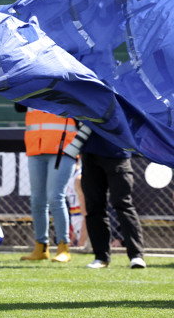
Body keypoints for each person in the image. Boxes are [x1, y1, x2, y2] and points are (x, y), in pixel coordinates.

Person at [18, 105, 77, 263]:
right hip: (35, 149)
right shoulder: (30, 86)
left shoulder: (65, 84)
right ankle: (41, 247)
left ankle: (64, 247)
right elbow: (18, 106)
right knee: (37, 200)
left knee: (55, 197)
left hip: (63, 149)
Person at [81, 132, 146, 269]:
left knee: (123, 204)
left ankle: (136, 256)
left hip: (118, 152)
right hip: (90, 152)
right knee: (94, 206)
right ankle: (101, 258)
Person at [65, 160, 88, 247]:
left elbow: (86, 212)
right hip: (76, 221)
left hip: (84, 224)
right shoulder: (69, 178)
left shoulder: (79, 178)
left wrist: (82, 240)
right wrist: (73, 239)